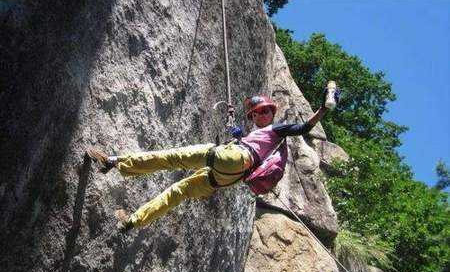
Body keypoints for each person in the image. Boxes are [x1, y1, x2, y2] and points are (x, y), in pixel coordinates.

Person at [87, 83, 338, 232]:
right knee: (179, 191)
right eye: (255, 114)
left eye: (264, 112)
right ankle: (132, 222)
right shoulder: (262, 138)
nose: (259, 116)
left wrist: (323, 109)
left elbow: (304, 128)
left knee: (172, 158)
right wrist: (235, 129)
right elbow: (248, 144)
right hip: (231, 176)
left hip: (235, 161)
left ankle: (113, 162)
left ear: (272, 113)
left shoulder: (276, 130)